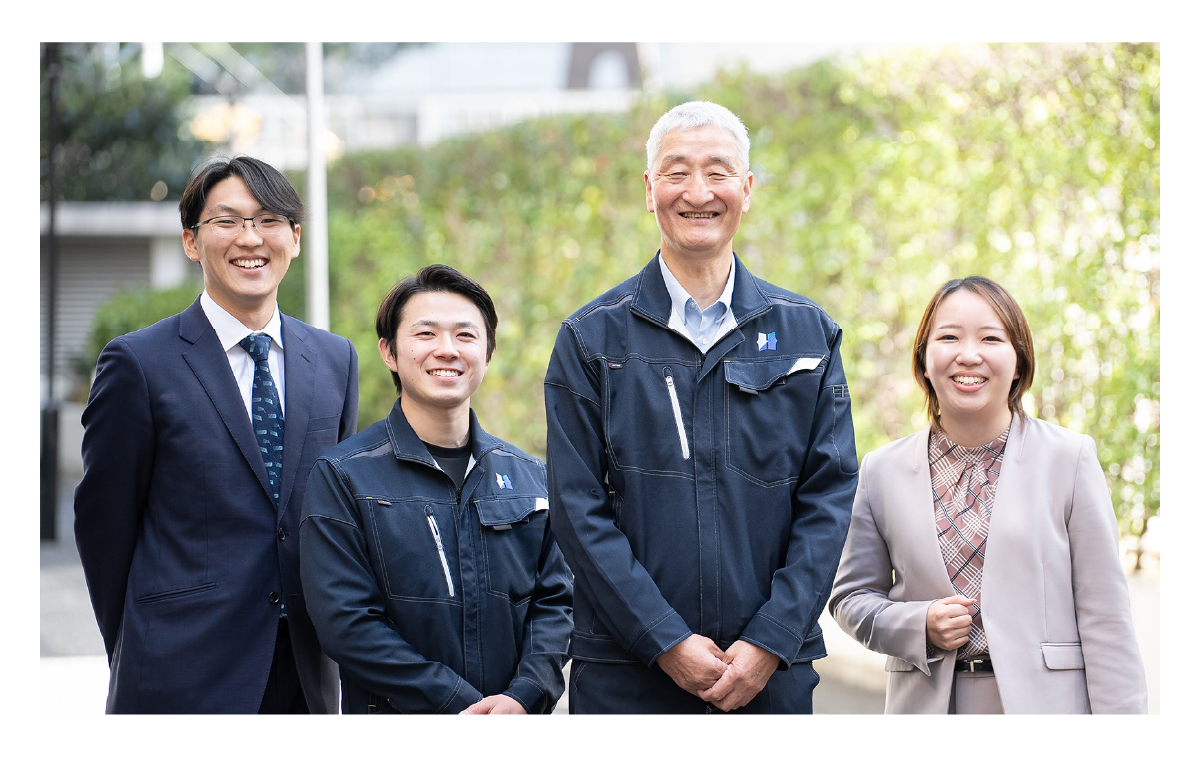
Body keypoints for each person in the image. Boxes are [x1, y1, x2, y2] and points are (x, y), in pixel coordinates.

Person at [543, 101, 859, 714]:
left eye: (718, 172)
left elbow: (828, 500)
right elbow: (576, 508)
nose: (698, 192)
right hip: (626, 674)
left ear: (747, 188)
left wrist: (770, 639)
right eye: (676, 172)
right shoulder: (591, 339)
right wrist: (664, 639)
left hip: (771, 674)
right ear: (649, 189)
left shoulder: (807, 335)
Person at [74, 155, 359, 713]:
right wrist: (135, 639)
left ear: (295, 239)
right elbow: (103, 526)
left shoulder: (334, 359)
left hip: (303, 673)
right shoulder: (138, 363)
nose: (250, 238)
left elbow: (328, 513)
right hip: (180, 670)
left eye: (269, 220)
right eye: (226, 221)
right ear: (190, 240)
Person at [829, 275, 1147, 714]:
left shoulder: (1069, 460)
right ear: (923, 359)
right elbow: (850, 599)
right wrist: (917, 624)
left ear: (1019, 361)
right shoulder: (882, 470)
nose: (969, 355)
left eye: (991, 338)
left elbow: (1106, 620)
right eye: (949, 337)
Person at [300, 264, 572, 714]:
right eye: (425, 334)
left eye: (465, 336)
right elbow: (345, 623)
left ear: (487, 354)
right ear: (389, 351)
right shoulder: (344, 476)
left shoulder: (531, 479)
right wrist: (456, 705)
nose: (447, 350)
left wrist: (523, 697)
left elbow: (557, 604)